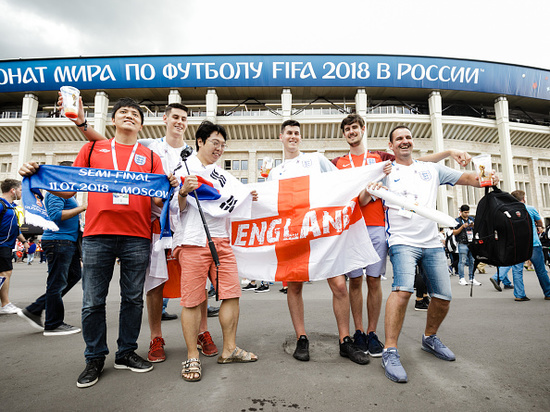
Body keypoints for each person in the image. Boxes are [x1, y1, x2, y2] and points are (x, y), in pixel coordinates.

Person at [20, 97, 179, 388]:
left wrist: (169, 187)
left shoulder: (150, 157)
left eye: (135, 114)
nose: (129, 116)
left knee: (132, 299)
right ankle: (94, 357)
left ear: (141, 124)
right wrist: (37, 175)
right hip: (97, 234)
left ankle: (126, 352)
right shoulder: (93, 148)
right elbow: (68, 191)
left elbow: (157, 199)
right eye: (123, 112)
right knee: (93, 301)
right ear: (113, 120)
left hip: (137, 235)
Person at [63, 98, 219, 363]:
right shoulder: (149, 147)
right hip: (152, 226)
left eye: (184, 118)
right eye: (175, 117)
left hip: (181, 226)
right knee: (149, 285)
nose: (179, 122)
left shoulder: (190, 156)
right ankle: (150, 338)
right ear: (164, 120)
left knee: (194, 282)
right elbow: (111, 144)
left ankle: (201, 332)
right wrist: (81, 123)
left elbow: (205, 183)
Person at [332, 114, 472, 357]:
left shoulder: (380, 158)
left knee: (374, 281)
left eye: (355, 127)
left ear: (363, 129)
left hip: (376, 226)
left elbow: (414, 161)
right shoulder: (337, 162)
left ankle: (373, 333)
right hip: (351, 227)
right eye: (347, 129)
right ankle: (359, 331)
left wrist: (449, 152)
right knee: (355, 282)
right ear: (344, 135)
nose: (352, 132)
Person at [380, 125, 499, 383]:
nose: (404, 141)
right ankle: (390, 350)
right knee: (402, 291)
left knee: (443, 298)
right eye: (398, 138)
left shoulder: (430, 169)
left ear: (413, 142)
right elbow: (363, 194)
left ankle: (429, 338)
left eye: (408, 137)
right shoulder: (385, 171)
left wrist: (487, 178)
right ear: (391, 146)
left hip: (432, 242)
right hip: (402, 241)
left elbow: (469, 178)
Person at [268, 119, 377, 365]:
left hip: (322, 233)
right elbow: (268, 206)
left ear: (300, 137)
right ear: (281, 137)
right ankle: (301, 338)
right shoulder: (275, 172)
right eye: (289, 133)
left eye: (297, 133)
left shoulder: (316, 160)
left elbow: (343, 183)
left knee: (339, 285)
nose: (293, 137)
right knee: (294, 287)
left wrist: (367, 187)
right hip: (294, 236)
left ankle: (345, 340)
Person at [171, 121, 258, 382]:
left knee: (231, 295)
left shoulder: (222, 176)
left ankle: (229, 349)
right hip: (194, 241)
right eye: (214, 143)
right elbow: (176, 210)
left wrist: (247, 196)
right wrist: (183, 193)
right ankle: (192, 356)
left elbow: (231, 202)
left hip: (221, 241)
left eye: (222, 145)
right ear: (200, 141)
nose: (219, 149)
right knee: (192, 301)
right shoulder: (184, 168)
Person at [18, 162, 86, 335]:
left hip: (66, 241)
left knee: (73, 275)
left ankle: (35, 309)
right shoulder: (56, 192)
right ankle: (53, 324)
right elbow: (56, 216)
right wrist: (83, 208)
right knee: (57, 282)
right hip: (58, 241)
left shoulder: (67, 194)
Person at [505, 190, 550, 302]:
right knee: (541, 270)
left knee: (517, 270)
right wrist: (537, 226)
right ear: (523, 198)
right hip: (533, 243)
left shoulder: (508, 210)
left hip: (517, 244)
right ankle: (548, 293)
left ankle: (519, 294)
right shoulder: (530, 208)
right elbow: (540, 223)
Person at [0, 179, 28, 315]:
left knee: (5, 273)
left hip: (6, 246)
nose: (21, 192)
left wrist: (24, 242)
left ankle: (5, 303)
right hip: (1, 245)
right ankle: (5, 304)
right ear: (13, 190)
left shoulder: (11, 207)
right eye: (20, 190)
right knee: (5, 273)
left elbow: (16, 229)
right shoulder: (1, 205)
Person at [453, 205, 481, 286]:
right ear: (461, 212)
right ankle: (461, 278)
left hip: (471, 242)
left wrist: (473, 226)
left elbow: (477, 229)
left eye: (468, 212)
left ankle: (472, 278)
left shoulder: (471, 219)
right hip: (462, 242)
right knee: (462, 261)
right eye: (465, 212)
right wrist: (462, 226)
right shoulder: (457, 220)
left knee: (472, 261)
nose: (467, 214)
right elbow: (454, 232)